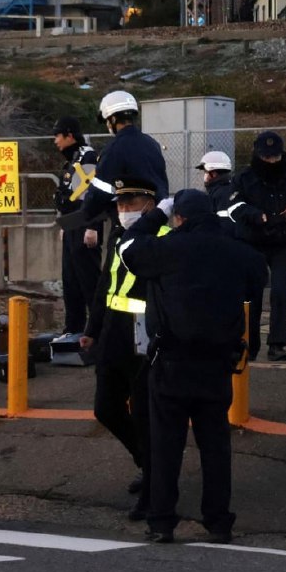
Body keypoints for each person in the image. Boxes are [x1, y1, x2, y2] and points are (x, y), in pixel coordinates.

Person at [119, 189, 267, 544]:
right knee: (215, 446)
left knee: (166, 444)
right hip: (217, 362)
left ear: (179, 218)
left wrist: (156, 214)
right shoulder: (239, 254)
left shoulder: (166, 249)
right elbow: (255, 283)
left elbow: (127, 247)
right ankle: (218, 521)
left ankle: (162, 522)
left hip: (171, 361)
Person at [80, 177, 169, 522]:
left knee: (147, 415)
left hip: (145, 333)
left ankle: (154, 490)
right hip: (115, 332)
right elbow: (106, 283)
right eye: (119, 204)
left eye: (131, 203)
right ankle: (148, 464)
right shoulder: (120, 235)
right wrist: (92, 329)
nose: (124, 210)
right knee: (106, 407)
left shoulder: (163, 238)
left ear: (150, 204)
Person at [228, 131, 286, 361]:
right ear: (257, 155)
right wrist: (258, 216)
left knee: (281, 290)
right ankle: (250, 344)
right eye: (267, 158)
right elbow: (234, 207)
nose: (271, 162)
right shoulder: (245, 177)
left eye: (275, 158)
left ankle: (277, 344)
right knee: (251, 293)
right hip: (253, 239)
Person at [82, 90, 169, 222]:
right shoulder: (152, 143)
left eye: (107, 121)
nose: (107, 126)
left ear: (113, 119)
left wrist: (85, 213)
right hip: (158, 214)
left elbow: (99, 190)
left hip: (131, 215)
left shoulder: (114, 148)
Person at [53, 116, 104, 334]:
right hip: (72, 225)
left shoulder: (87, 156)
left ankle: (97, 332)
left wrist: (93, 227)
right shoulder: (71, 159)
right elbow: (71, 196)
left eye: (58, 136)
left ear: (69, 135)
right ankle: (72, 331)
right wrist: (64, 225)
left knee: (89, 282)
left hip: (85, 226)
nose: (55, 141)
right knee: (70, 281)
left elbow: (94, 194)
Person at [195, 150, 235, 234]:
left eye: (205, 172)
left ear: (213, 173)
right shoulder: (232, 189)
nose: (204, 175)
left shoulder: (218, 195)